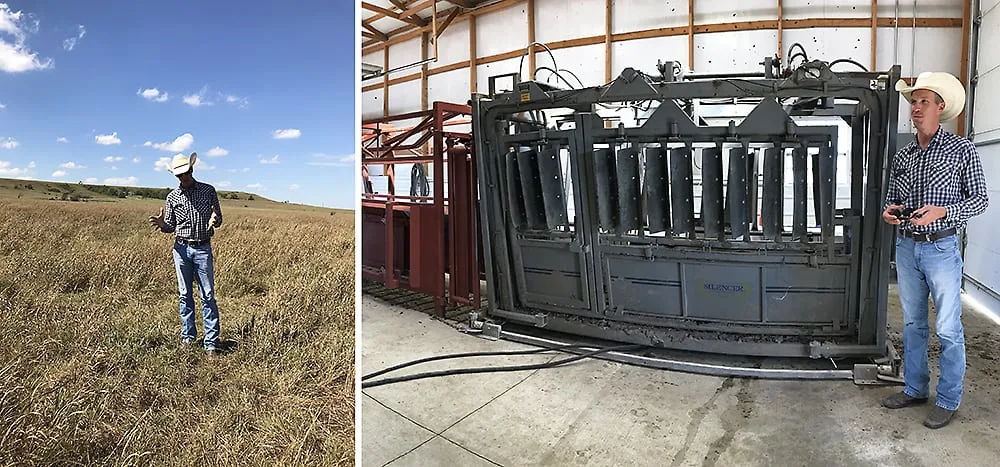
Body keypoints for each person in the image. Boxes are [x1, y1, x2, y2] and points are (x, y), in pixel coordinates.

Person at [881, 72, 988, 429]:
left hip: (941, 248)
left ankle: (948, 398)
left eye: (924, 101)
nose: (916, 107)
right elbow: (894, 197)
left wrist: (943, 211)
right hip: (908, 248)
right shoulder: (905, 154)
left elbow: (980, 200)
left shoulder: (962, 149)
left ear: (941, 108)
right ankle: (915, 388)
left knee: (947, 327)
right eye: (913, 101)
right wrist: (889, 210)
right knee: (912, 324)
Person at [148, 152, 225, 355]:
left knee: (207, 295)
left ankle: (211, 344)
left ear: (192, 170)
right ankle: (188, 338)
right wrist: (163, 224)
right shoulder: (172, 197)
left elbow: (218, 217)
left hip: (203, 248)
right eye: (180, 175)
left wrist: (215, 220)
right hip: (181, 249)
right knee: (184, 295)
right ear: (176, 176)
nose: (184, 178)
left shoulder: (209, 191)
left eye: (186, 173)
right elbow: (170, 226)